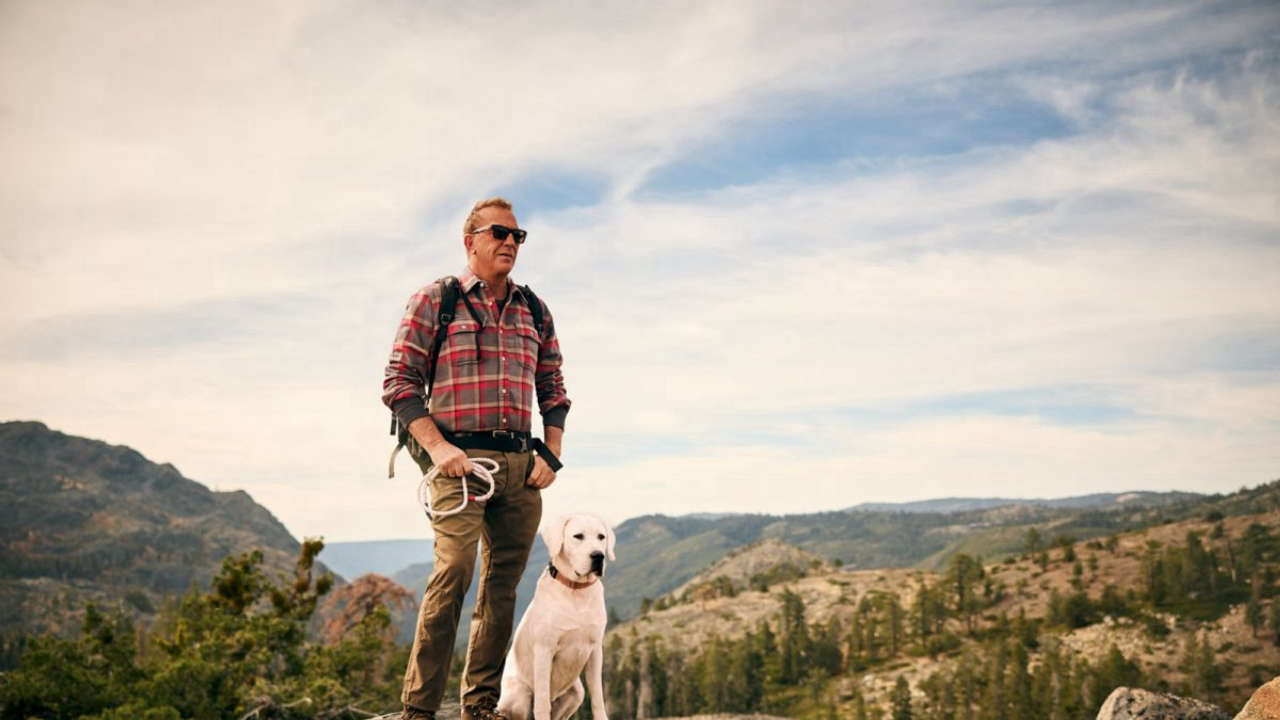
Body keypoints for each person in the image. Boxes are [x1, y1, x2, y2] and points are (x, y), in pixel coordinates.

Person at [382, 197, 570, 720]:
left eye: (518, 236)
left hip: (520, 468)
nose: (510, 242)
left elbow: (553, 387)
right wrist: (440, 450)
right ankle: (418, 710)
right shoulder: (435, 300)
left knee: (502, 588)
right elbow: (398, 384)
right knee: (455, 573)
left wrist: (551, 456)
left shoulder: (534, 309)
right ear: (471, 241)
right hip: (457, 465)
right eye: (499, 234)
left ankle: (479, 706)